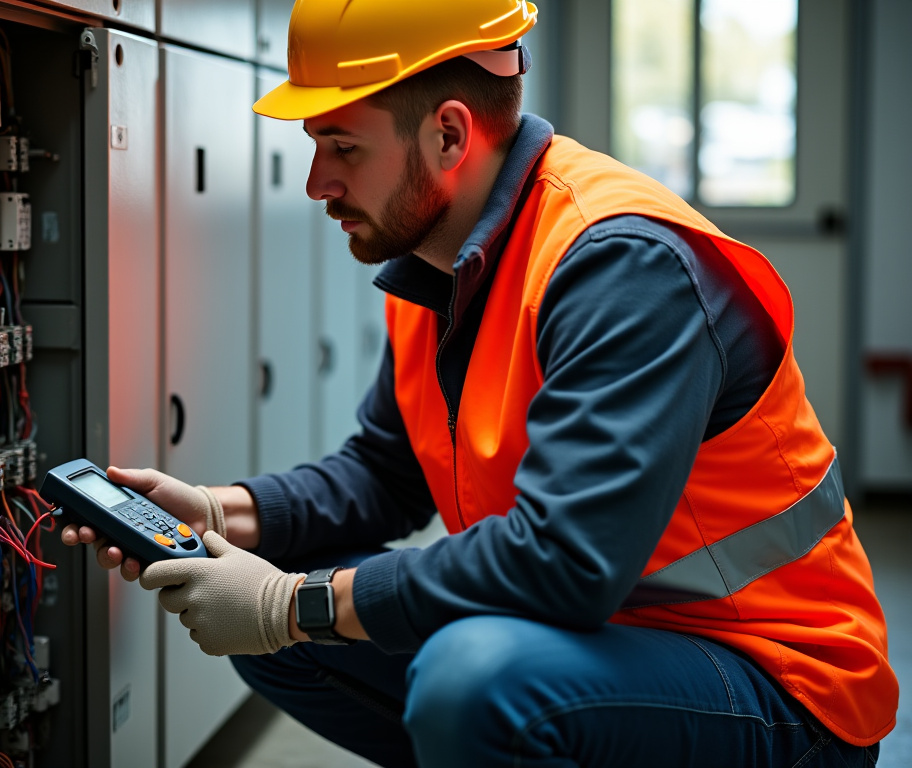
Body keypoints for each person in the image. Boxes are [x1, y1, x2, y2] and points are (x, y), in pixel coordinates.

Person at [61, 0, 897, 765]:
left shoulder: (618, 265)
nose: (317, 182)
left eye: (342, 146)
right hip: (599, 645)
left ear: (450, 136)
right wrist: (223, 514)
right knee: (296, 592)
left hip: (777, 679)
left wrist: (292, 605)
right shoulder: (442, 265)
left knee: (472, 678)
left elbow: (564, 563)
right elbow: (386, 474)